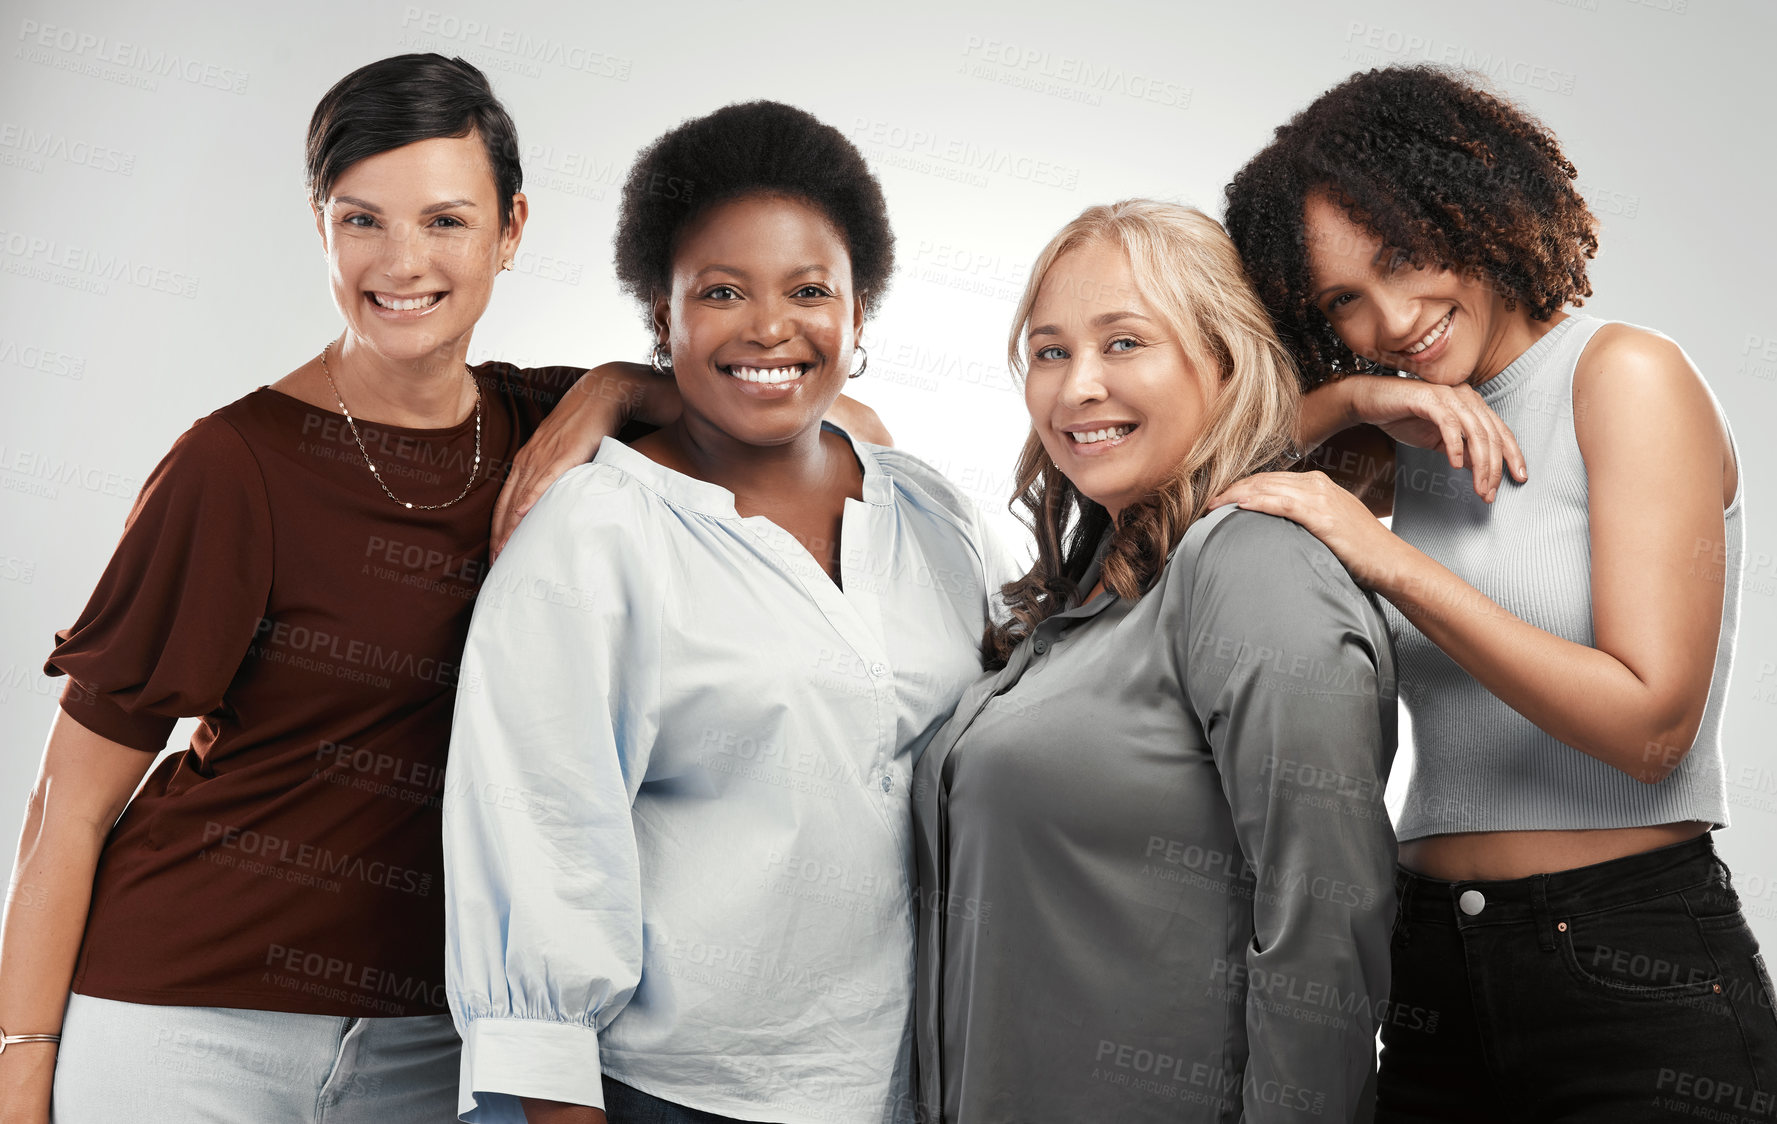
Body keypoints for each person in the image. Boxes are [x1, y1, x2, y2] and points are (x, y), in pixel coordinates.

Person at [0, 53, 848, 1124]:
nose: (402, 262)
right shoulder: (232, 466)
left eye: (445, 221)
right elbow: (65, 807)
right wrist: (19, 1070)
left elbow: (841, 433)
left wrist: (615, 391)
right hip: (191, 1023)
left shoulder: (548, 424)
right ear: (321, 225)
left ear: (511, 228)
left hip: (433, 1038)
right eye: (363, 221)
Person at [1219, 64, 1773, 1120]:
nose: (1393, 318)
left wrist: (1386, 557)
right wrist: (1353, 395)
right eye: (1344, 301)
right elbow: (1205, 476)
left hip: (1630, 970)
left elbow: (1652, 723)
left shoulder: (1623, 375)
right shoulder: (1415, 421)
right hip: (1427, 964)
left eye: (1401, 258)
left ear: (1471, 205)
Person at [442, 101, 1011, 1124]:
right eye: (720, 291)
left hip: (917, 1084)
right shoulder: (595, 535)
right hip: (670, 1091)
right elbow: (539, 846)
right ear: (660, 318)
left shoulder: (932, 514)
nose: (768, 327)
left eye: (808, 290)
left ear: (858, 314)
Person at [910, 200, 1398, 1123]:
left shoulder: (1253, 563)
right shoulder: (1098, 578)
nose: (1076, 387)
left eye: (1124, 342)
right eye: (1050, 352)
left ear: (1224, 358)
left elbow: (1323, 932)